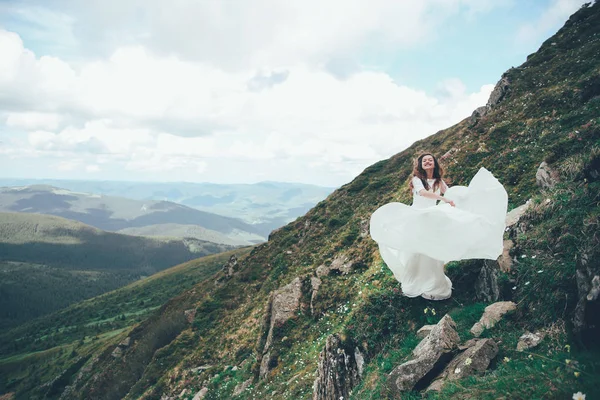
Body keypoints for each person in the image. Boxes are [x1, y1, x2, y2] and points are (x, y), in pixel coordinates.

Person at [369, 153, 508, 300]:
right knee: (419, 251)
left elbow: (449, 193)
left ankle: (434, 285)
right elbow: (423, 193)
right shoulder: (417, 179)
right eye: (424, 161)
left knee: (432, 250)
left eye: (430, 160)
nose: (427, 162)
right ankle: (416, 282)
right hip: (418, 215)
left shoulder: (438, 180)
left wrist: (464, 196)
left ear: (434, 163)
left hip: (431, 215)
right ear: (420, 165)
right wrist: (443, 198)